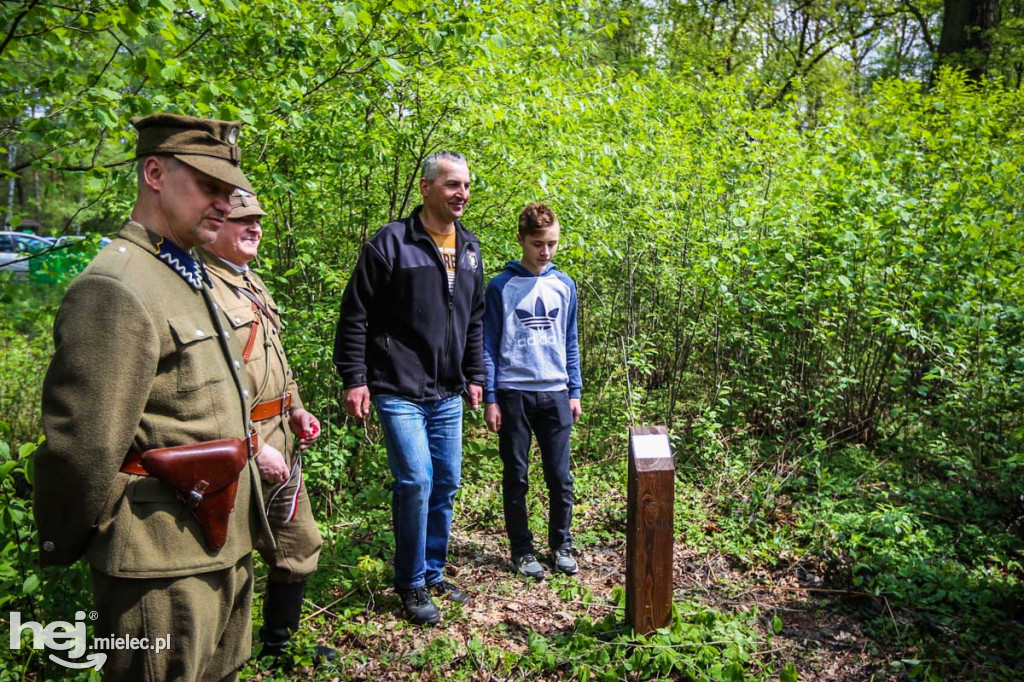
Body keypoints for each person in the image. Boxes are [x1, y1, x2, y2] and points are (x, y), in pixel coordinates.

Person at [33, 114, 272, 681]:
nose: (225, 201)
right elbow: (81, 448)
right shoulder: (116, 286)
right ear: (155, 172)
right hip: (159, 562)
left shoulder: (186, 269)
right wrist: (65, 542)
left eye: (229, 189)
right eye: (209, 187)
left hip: (222, 541)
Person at [334, 151, 484, 626]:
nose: (461, 193)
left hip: (447, 392)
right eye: (452, 184)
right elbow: (355, 313)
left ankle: (434, 571)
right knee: (416, 480)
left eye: (465, 186)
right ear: (426, 187)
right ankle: (411, 581)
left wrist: (475, 375)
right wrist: (355, 378)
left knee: (446, 482)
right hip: (397, 386)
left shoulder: (470, 248)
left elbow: (474, 319)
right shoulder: (391, 243)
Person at [199, 190, 331, 662]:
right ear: (213, 226)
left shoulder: (250, 282)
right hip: (234, 445)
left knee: (298, 543)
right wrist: (253, 446)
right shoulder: (201, 289)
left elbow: (274, 362)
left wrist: (295, 409)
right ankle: (221, 659)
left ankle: (280, 649)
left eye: (258, 220)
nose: (255, 228)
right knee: (226, 559)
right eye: (242, 220)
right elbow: (208, 387)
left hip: (280, 439)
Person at [482, 202, 583, 580]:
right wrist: (491, 397)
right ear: (522, 240)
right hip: (513, 392)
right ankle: (522, 549)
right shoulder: (501, 286)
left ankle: (562, 544)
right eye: (538, 243)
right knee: (517, 475)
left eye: (552, 243)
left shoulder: (564, 285)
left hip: (556, 391)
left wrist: (575, 389)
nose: (546, 252)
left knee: (560, 476)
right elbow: (488, 344)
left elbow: (570, 339)